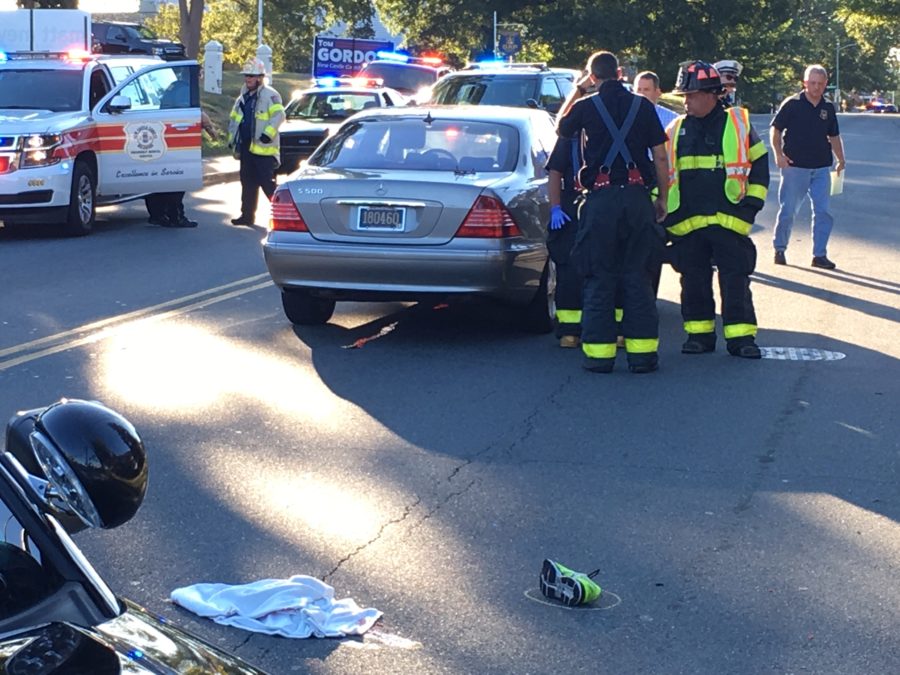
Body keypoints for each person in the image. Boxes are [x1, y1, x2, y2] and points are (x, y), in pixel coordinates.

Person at [557, 51, 668, 374]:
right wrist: (662, 197)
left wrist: (578, 91)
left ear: (593, 77)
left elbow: (560, 130)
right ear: (620, 73)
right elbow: (660, 158)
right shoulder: (643, 107)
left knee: (599, 277)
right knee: (637, 276)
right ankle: (643, 356)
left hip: (602, 201)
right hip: (636, 198)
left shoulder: (585, 106)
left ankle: (600, 357)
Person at [663, 60, 769, 359]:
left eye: (691, 95)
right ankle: (699, 335)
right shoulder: (675, 129)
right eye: (684, 95)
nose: (686, 101)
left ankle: (741, 338)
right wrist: (663, 215)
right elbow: (663, 173)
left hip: (730, 220)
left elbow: (759, 165)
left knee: (735, 281)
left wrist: (752, 206)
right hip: (688, 223)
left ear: (711, 94)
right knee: (693, 281)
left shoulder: (738, 124)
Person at [770, 64, 846, 269]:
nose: (816, 87)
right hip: (795, 167)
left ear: (825, 85)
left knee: (823, 212)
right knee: (788, 211)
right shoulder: (792, 104)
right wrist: (779, 155)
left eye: (820, 84)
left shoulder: (828, 108)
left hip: (821, 168)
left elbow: (834, 136)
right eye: (812, 83)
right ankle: (780, 249)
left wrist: (841, 159)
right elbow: (775, 131)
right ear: (804, 83)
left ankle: (819, 255)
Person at [146, 66, 211, 228]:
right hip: (178, 141)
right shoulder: (185, 92)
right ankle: (176, 216)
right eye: (200, 75)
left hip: (163, 139)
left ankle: (157, 214)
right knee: (178, 179)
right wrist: (208, 126)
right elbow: (189, 115)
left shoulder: (174, 87)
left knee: (160, 179)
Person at [228, 58, 285, 226]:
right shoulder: (242, 97)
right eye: (246, 76)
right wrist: (233, 140)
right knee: (247, 182)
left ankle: (283, 216)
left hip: (264, 149)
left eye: (251, 76)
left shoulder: (270, 95)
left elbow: (279, 116)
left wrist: (268, 134)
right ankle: (247, 216)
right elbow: (234, 120)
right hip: (246, 147)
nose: (248, 79)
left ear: (260, 77)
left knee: (267, 185)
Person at [545, 133, 585, 348]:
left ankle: (571, 333)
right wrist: (556, 208)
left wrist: (556, 207)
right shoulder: (572, 138)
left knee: (571, 268)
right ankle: (616, 332)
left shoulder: (572, 135)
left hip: (577, 204)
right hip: (591, 204)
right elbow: (555, 171)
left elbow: (554, 172)